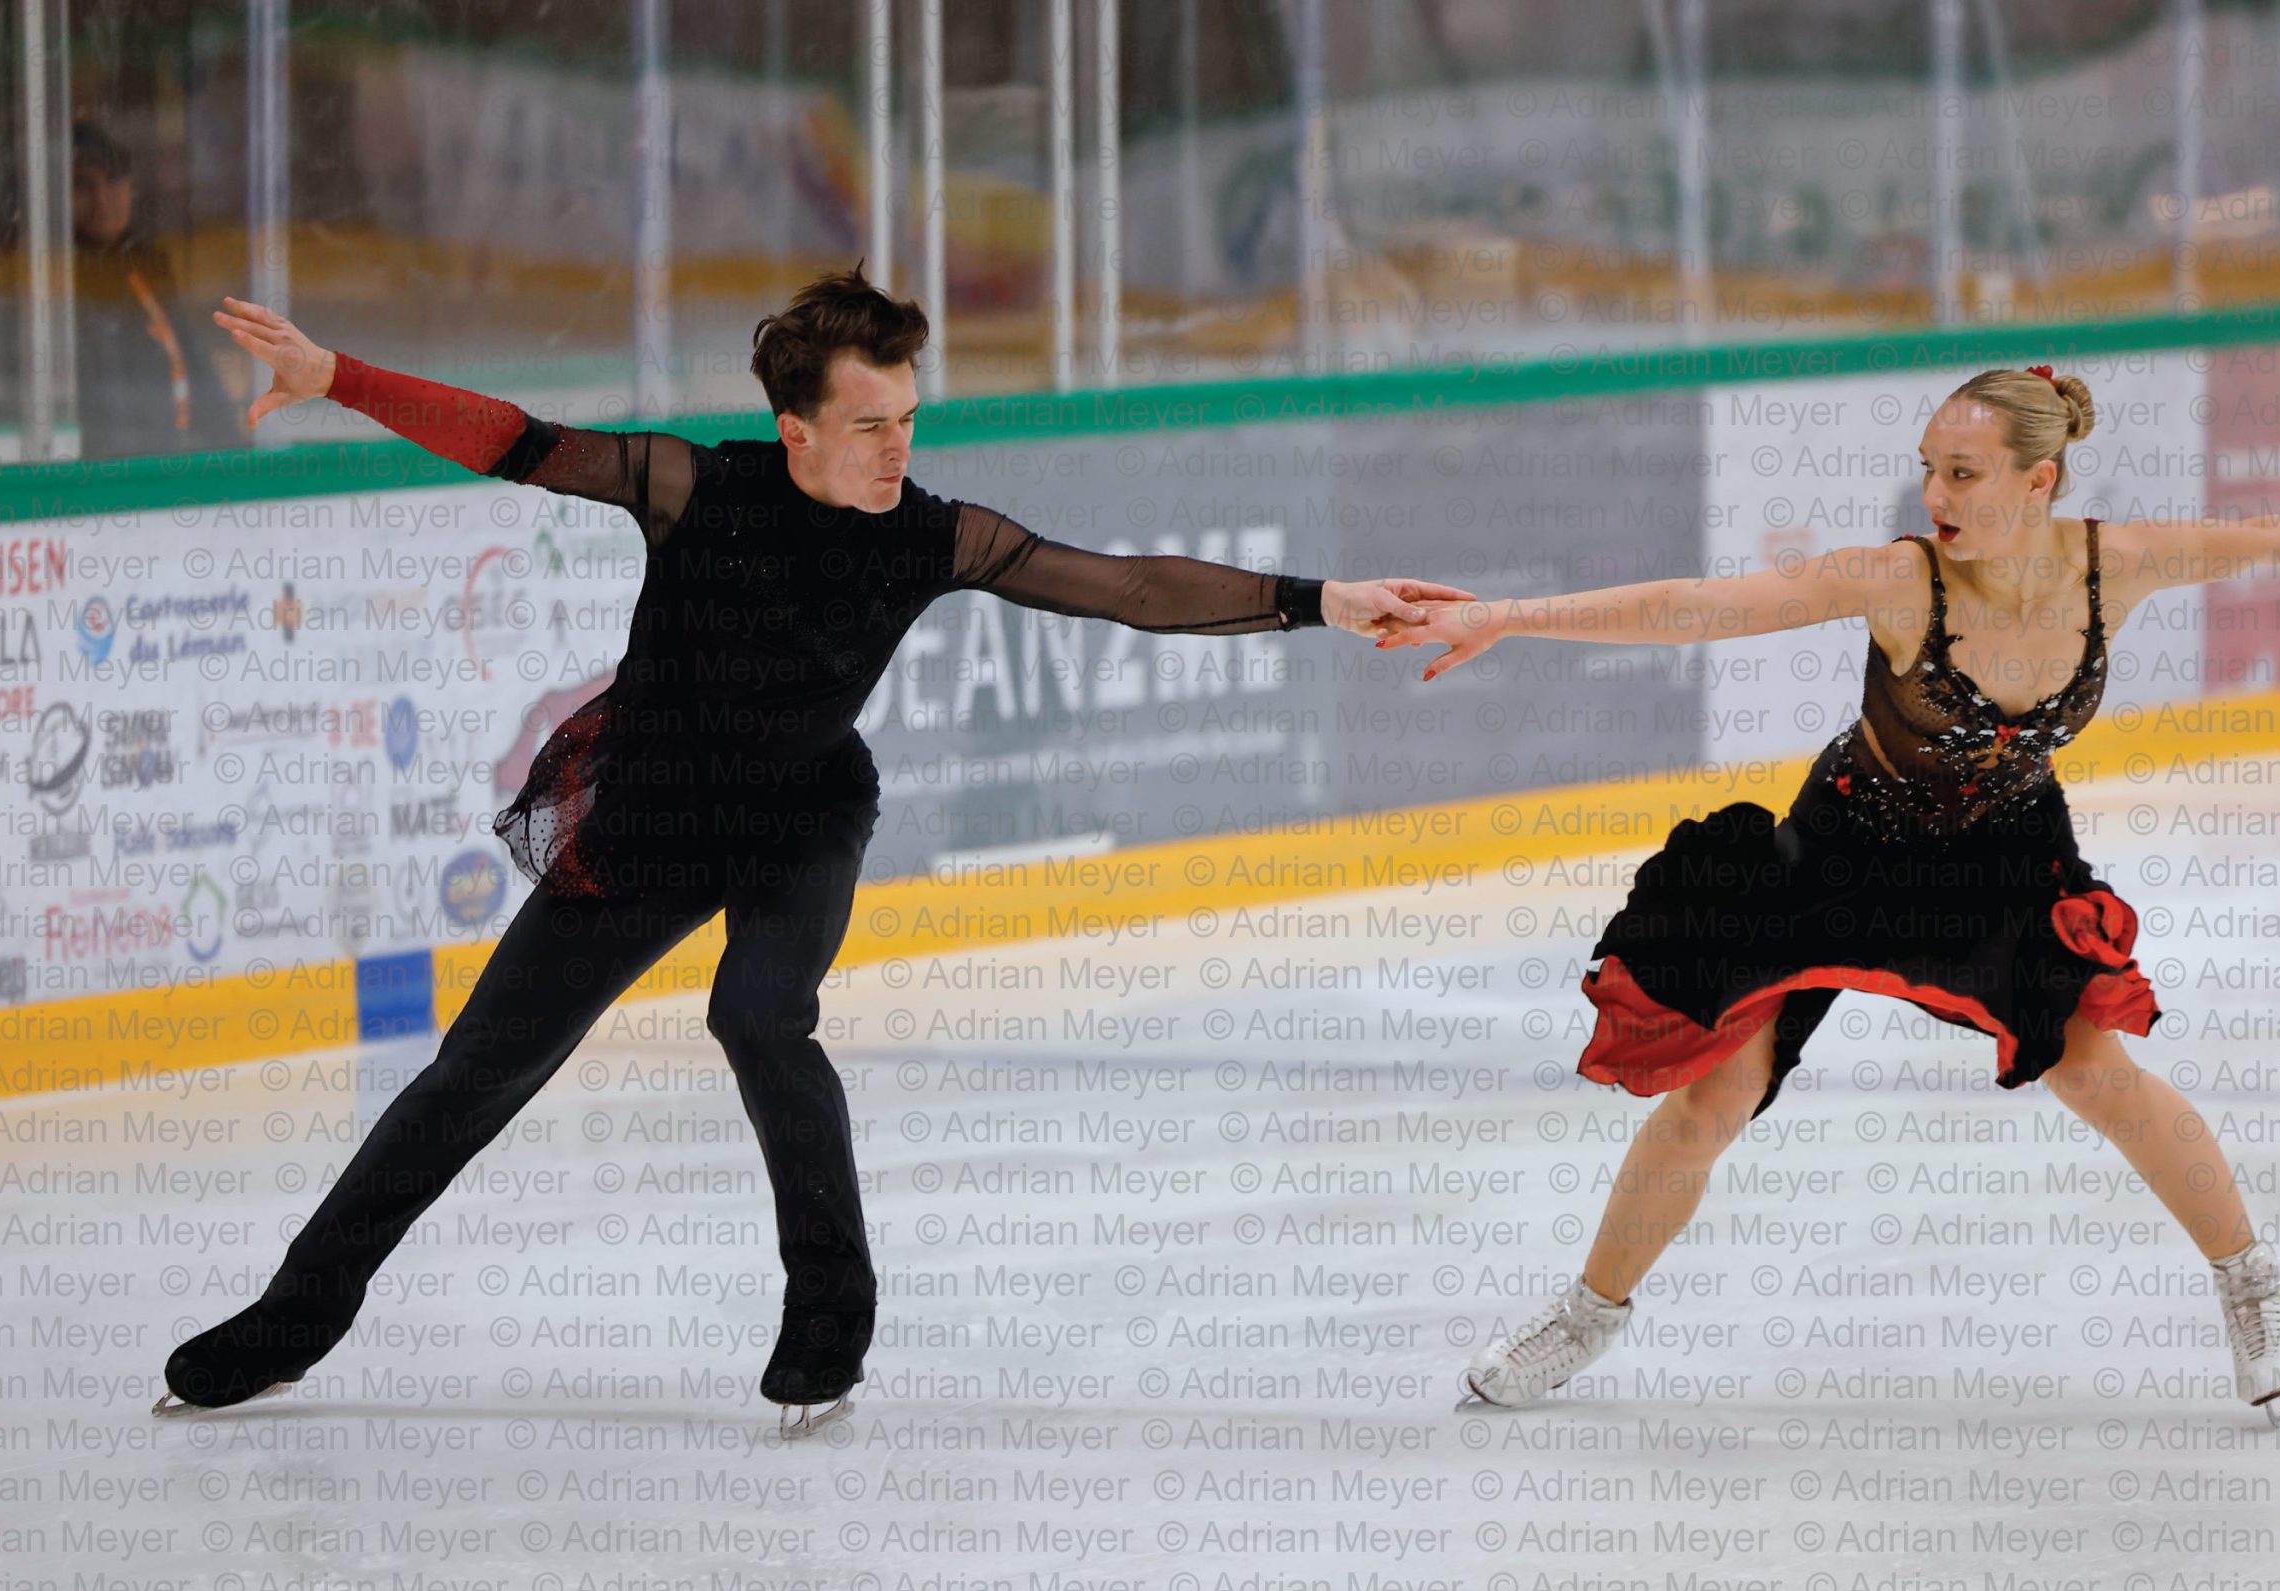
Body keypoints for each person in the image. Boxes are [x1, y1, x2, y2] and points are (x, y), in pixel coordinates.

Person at [156, 265, 1464, 1437]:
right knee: (475, 1072)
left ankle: (828, 1312)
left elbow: (1124, 587)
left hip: (800, 813)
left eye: (907, 419)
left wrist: (1320, 602)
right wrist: (337, 377)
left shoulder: (931, 534)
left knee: (761, 1017)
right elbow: (519, 442)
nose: (898, 449)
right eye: (868, 426)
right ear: (796, 431)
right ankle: (294, 1315)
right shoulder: (690, 486)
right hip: (655, 817)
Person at [1380, 365, 2280, 1427]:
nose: (1935, 496)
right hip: (1844, 850)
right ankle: (1586, 1314)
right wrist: (1509, 617)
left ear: (2039, 479)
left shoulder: (2112, 566)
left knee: (2097, 1073)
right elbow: (1698, 610)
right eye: (1926, 471)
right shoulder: (1902, 581)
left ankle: (2254, 1291)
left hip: (2000, 863)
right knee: (1713, 1094)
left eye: (1962, 472)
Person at [70, 120, 244, 460]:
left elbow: (194, 365)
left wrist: (233, 458)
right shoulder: (56, 276)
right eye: (82, 185)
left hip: (161, 466)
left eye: (113, 181)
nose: (103, 199)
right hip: (111, 481)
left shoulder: (144, 267)